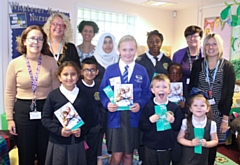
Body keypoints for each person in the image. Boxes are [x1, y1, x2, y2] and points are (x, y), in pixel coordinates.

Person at [4, 25, 60, 165]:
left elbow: (57, 91)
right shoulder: (15, 64)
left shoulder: (51, 61)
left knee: (45, 152)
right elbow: (10, 93)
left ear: (43, 42)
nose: (36, 42)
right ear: (24, 41)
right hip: (23, 111)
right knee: (26, 153)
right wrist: (10, 119)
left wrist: (58, 116)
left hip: (46, 109)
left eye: (40, 39)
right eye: (32, 38)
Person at [99, 35, 152, 165]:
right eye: (124, 50)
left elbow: (147, 92)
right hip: (115, 118)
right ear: (118, 50)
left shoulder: (142, 70)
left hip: (134, 118)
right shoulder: (110, 70)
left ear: (136, 50)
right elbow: (103, 91)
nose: (128, 53)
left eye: (131, 50)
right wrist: (107, 104)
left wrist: (140, 104)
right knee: (116, 156)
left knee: (129, 155)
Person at [188, 33, 236, 165]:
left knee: (211, 145)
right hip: (198, 111)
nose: (211, 47)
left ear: (219, 46)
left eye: (214, 44)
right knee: (196, 141)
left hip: (217, 113)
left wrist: (225, 119)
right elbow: (191, 87)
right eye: (208, 44)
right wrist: (190, 110)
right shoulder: (198, 64)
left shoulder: (227, 67)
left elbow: (228, 95)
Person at [41, 61, 94, 165]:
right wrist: (59, 131)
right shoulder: (53, 96)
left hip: (77, 143)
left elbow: (90, 117)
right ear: (59, 77)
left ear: (78, 76)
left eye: (73, 74)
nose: (69, 78)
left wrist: (81, 130)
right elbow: (45, 118)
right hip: (57, 143)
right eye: (65, 74)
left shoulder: (84, 96)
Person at [139, 74, 184, 165]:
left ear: (169, 90)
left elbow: (179, 126)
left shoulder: (174, 108)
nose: (161, 89)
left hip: (166, 146)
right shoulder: (148, 107)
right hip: (150, 146)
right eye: (158, 87)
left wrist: (173, 121)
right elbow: (141, 126)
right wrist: (149, 121)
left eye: (164, 87)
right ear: (152, 90)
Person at [177, 94, 218, 164]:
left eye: (202, 106)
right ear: (190, 109)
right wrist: (190, 143)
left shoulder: (212, 124)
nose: (199, 108)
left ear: (207, 109)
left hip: (202, 158)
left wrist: (206, 144)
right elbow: (179, 138)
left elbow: (215, 141)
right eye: (195, 105)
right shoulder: (186, 122)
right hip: (187, 158)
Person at [77, 58, 103, 165]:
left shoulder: (100, 86)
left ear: (97, 72)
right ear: (81, 72)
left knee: (92, 155)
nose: (89, 73)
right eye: (86, 70)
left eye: (92, 70)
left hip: (95, 127)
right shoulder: (76, 87)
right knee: (80, 155)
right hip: (80, 128)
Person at [172, 25, 203, 100]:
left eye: (195, 36)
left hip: (200, 92)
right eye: (188, 36)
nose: (192, 39)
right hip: (181, 92)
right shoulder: (178, 55)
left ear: (200, 38)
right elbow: (172, 76)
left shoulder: (206, 55)